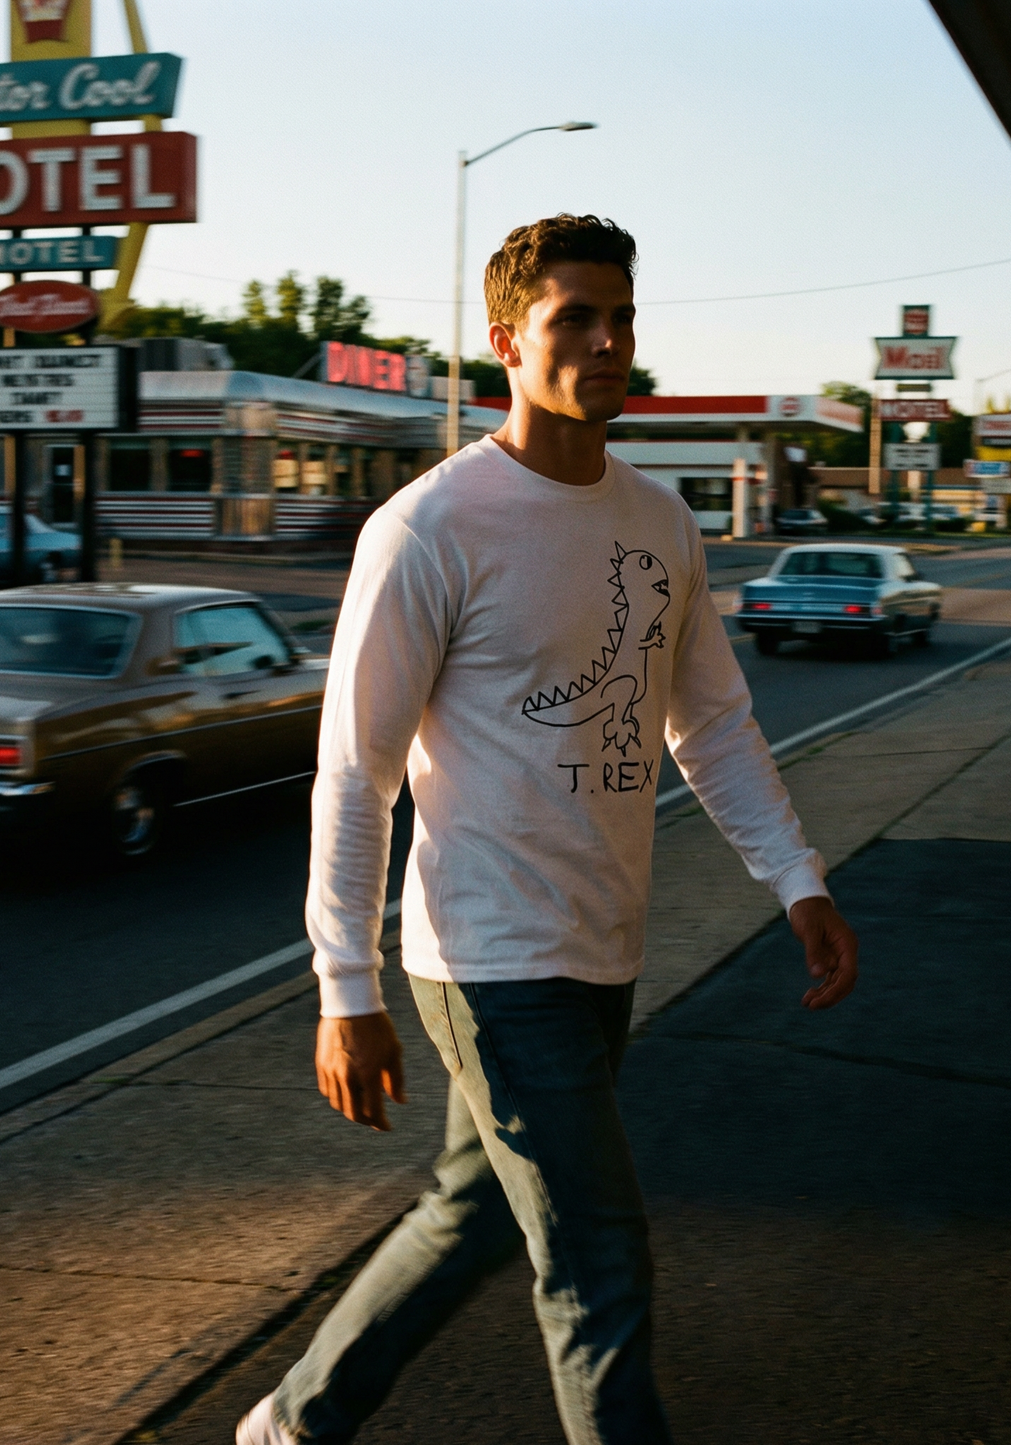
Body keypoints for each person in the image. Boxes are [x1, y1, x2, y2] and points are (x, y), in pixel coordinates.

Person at [237, 214, 858, 1445]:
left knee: (472, 1210)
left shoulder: (659, 521)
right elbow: (353, 773)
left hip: (601, 944)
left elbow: (713, 725)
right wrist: (342, 985)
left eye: (620, 315)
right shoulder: (430, 525)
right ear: (506, 340)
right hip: (483, 952)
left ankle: (291, 1425)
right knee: (597, 1254)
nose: (607, 339)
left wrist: (798, 878)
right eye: (575, 317)